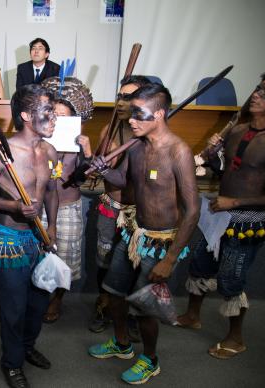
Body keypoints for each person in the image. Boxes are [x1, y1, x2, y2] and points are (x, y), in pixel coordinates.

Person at [87, 83, 199, 385]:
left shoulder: (179, 151)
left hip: (162, 242)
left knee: (145, 306)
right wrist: (100, 168)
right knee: (113, 291)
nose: (131, 119)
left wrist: (171, 258)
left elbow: (192, 211)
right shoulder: (137, 146)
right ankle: (122, 344)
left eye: (139, 114)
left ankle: (150, 359)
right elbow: (121, 179)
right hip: (134, 231)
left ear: (160, 114)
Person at [177, 72, 265, 359]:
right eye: (257, 88)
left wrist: (234, 201)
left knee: (232, 279)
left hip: (248, 221)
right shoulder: (237, 129)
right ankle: (192, 316)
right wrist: (210, 156)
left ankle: (236, 338)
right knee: (199, 265)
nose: (257, 94)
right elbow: (223, 170)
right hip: (219, 214)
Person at [0, 84, 58, 388]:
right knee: (13, 308)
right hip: (8, 238)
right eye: (48, 111)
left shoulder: (49, 151)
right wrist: (13, 206)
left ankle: (28, 346)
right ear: (25, 115)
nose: (54, 116)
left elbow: (51, 191)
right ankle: (12, 362)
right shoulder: (1, 152)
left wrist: (54, 226)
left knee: (38, 304)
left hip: (40, 239)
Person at [89, 75, 151, 334]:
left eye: (129, 97)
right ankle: (104, 303)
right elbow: (102, 167)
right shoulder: (110, 130)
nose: (121, 102)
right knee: (104, 260)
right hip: (111, 205)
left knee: (132, 263)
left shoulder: (151, 136)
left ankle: (131, 312)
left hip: (139, 213)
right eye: (120, 96)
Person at [39, 76, 93, 323]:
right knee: (40, 252)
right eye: (55, 114)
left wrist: (88, 152)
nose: (59, 119)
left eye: (64, 115)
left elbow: (85, 178)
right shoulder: (39, 139)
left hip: (69, 207)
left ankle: (57, 300)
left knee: (66, 257)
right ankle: (38, 296)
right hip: (41, 206)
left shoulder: (79, 143)